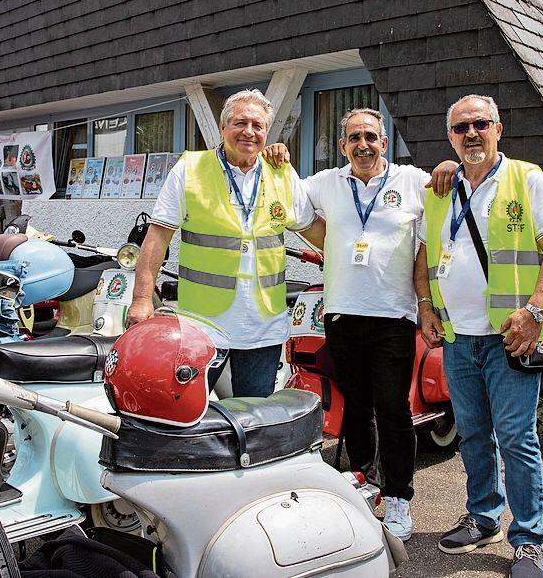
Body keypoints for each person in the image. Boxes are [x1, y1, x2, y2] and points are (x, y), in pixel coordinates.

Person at [265, 108, 455, 542]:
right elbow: (292, 207)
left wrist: (448, 166)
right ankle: (362, 476)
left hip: (393, 316)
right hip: (342, 313)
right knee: (355, 405)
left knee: (393, 408)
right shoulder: (327, 183)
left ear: (384, 142)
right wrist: (280, 162)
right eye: (355, 137)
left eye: (371, 136)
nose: (363, 144)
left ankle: (399, 496)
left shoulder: (409, 180)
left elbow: (441, 207)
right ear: (342, 145)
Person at [415, 94, 543, 578]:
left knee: (516, 437)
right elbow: (423, 259)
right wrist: (425, 307)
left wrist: (534, 312)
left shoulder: (528, 179)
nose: (471, 134)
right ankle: (483, 517)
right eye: (461, 128)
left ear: (498, 128)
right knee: (474, 433)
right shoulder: (439, 190)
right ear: (450, 138)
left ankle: (528, 539)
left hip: (512, 337)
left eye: (480, 124)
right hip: (459, 338)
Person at [126, 89, 323, 397]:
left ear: (267, 132)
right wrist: (141, 299)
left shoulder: (281, 173)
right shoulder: (190, 169)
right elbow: (158, 235)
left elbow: (312, 228)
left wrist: (355, 250)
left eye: (258, 126)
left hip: (262, 328)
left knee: (254, 418)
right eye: (240, 123)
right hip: (201, 326)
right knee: (189, 411)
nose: (249, 132)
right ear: (222, 127)